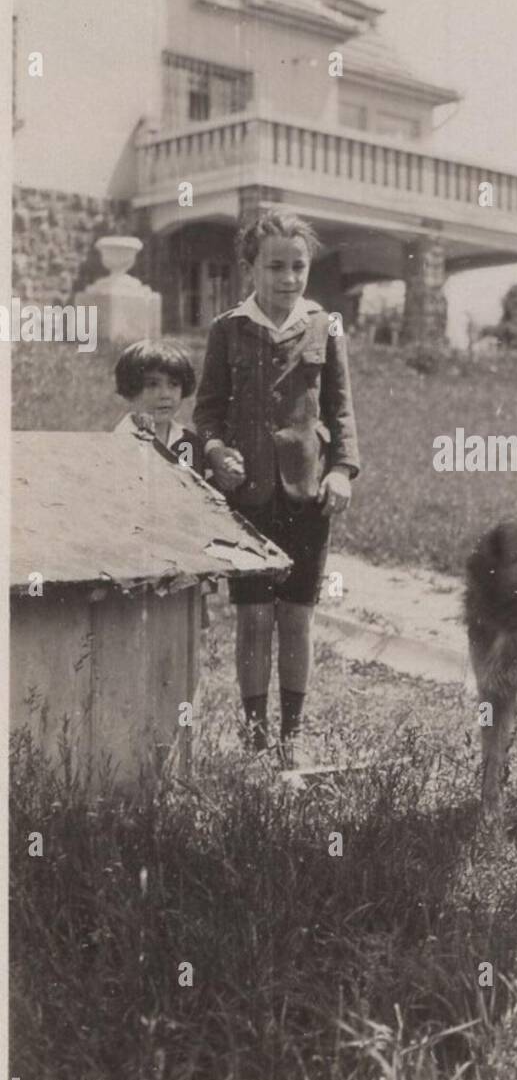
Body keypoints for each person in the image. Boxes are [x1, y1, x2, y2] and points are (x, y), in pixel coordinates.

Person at [193, 211, 360, 755]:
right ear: (250, 269)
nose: (288, 279)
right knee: (253, 620)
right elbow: (209, 411)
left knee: (296, 618)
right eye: (275, 267)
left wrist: (341, 470)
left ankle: (292, 736)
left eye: (298, 266)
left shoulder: (325, 327)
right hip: (248, 498)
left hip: (307, 496)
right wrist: (215, 451)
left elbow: (341, 411)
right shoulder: (227, 330)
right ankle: (253, 738)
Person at [113, 339, 202, 472]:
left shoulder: (188, 442)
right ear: (130, 389)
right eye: (152, 385)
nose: (165, 394)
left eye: (174, 384)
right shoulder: (115, 444)